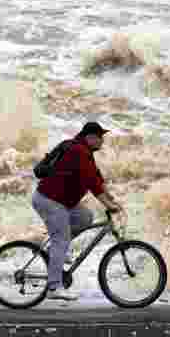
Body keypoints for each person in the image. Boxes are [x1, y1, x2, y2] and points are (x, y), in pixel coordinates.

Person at [31, 121, 127, 301]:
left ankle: (53, 250)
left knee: (85, 217)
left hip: (62, 201)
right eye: (100, 138)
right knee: (62, 239)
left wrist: (111, 199)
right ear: (90, 138)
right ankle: (54, 287)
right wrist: (108, 205)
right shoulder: (79, 152)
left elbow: (97, 179)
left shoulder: (86, 153)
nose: (102, 142)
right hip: (50, 200)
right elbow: (92, 183)